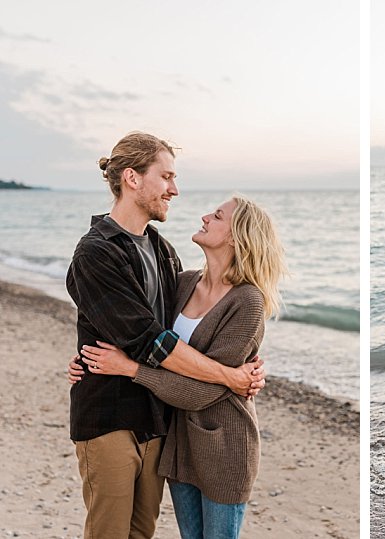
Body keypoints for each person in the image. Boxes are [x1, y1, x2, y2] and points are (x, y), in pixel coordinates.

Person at [66, 132, 264, 538]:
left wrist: (249, 364)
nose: (175, 189)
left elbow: (187, 328)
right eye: (167, 176)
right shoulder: (96, 252)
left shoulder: (161, 249)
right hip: (109, 417)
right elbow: (149, 340)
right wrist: (230, 376)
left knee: (142, 531)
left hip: (158, 421)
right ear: (132, 178)